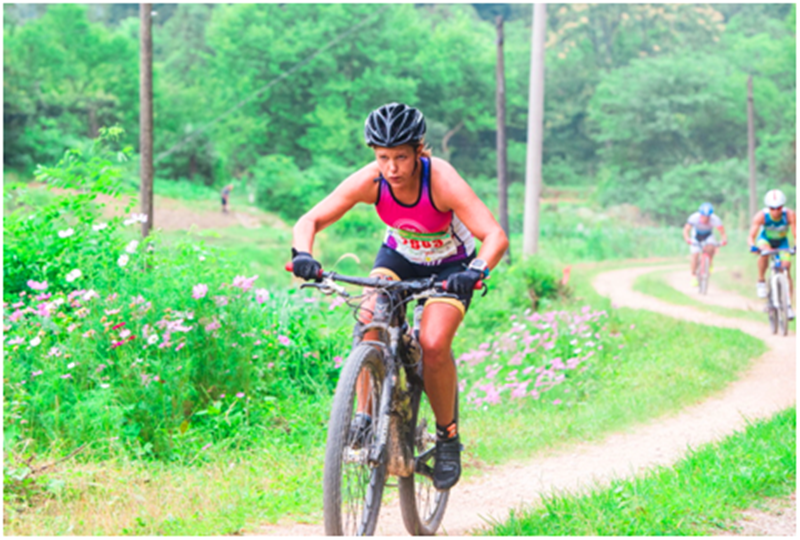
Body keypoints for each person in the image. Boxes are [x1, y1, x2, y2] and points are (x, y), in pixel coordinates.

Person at [290, 103, 509, 490]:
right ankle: (363, 417)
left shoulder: (440, 179)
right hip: (399, 259)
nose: (391, 168)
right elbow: (310, 219)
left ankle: (447, 436)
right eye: (383, 157)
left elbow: (494, 235)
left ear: (418, 151)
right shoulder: (372, 180)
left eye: (401, 157)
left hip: (451, 268)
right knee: (369, 318)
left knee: (434, 344)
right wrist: (303, 254)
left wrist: (477, 270)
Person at [747, 189, 796, 319]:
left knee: (786, 268)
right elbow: (751, 236)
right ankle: (761, 281)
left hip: (782, 243)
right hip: (765, 240)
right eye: (772, 208)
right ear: (768, 207)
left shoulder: (789, 215)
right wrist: (752, 246)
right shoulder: (761, 216)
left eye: (778, 208)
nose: (775, 211)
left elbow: (796, 233)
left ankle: (788, 305)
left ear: (782, 206)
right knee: (765, 253)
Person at [683, 202, 727, 286]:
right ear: (700, 214)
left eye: (708, 217)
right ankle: (693, 276)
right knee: (695, 255)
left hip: (708, 235)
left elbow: (722, 232)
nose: (705, 219)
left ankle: (709, 263)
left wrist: (724, 240)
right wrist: (687, 239)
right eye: (703, 216)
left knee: (711, 247)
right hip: (696, 236)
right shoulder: (694, 218)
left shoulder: (715, 219)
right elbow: (686, 230)